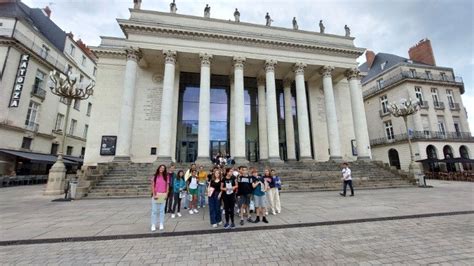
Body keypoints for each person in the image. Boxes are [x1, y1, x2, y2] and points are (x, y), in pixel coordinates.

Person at [150, 164, 169, 231]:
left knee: (161, 210)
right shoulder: (155, 176)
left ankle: (161, 223)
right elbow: (152, 186)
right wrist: (154, 194)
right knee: (154, 211)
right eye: (161, 167)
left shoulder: (166, 177)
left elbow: (167, 186)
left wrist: (166, 194)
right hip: (156, 194)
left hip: (162, 194)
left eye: (163, 168)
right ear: (158, 168)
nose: (162, 169)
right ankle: (153, 224)